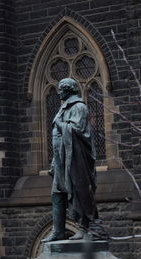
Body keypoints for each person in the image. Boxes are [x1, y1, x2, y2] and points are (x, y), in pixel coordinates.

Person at [42, 78, 101, 242]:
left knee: (78, 192)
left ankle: (84, 228)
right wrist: (55, 159)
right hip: (61, 159)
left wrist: (60, 124)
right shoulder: (63, 108)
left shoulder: (79, 107)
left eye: (61, 89)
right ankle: (58, 231)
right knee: (57, 195)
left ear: (70, 89)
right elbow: (59, 138)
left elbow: (77, 129)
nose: (58, 91)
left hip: (76, 160)